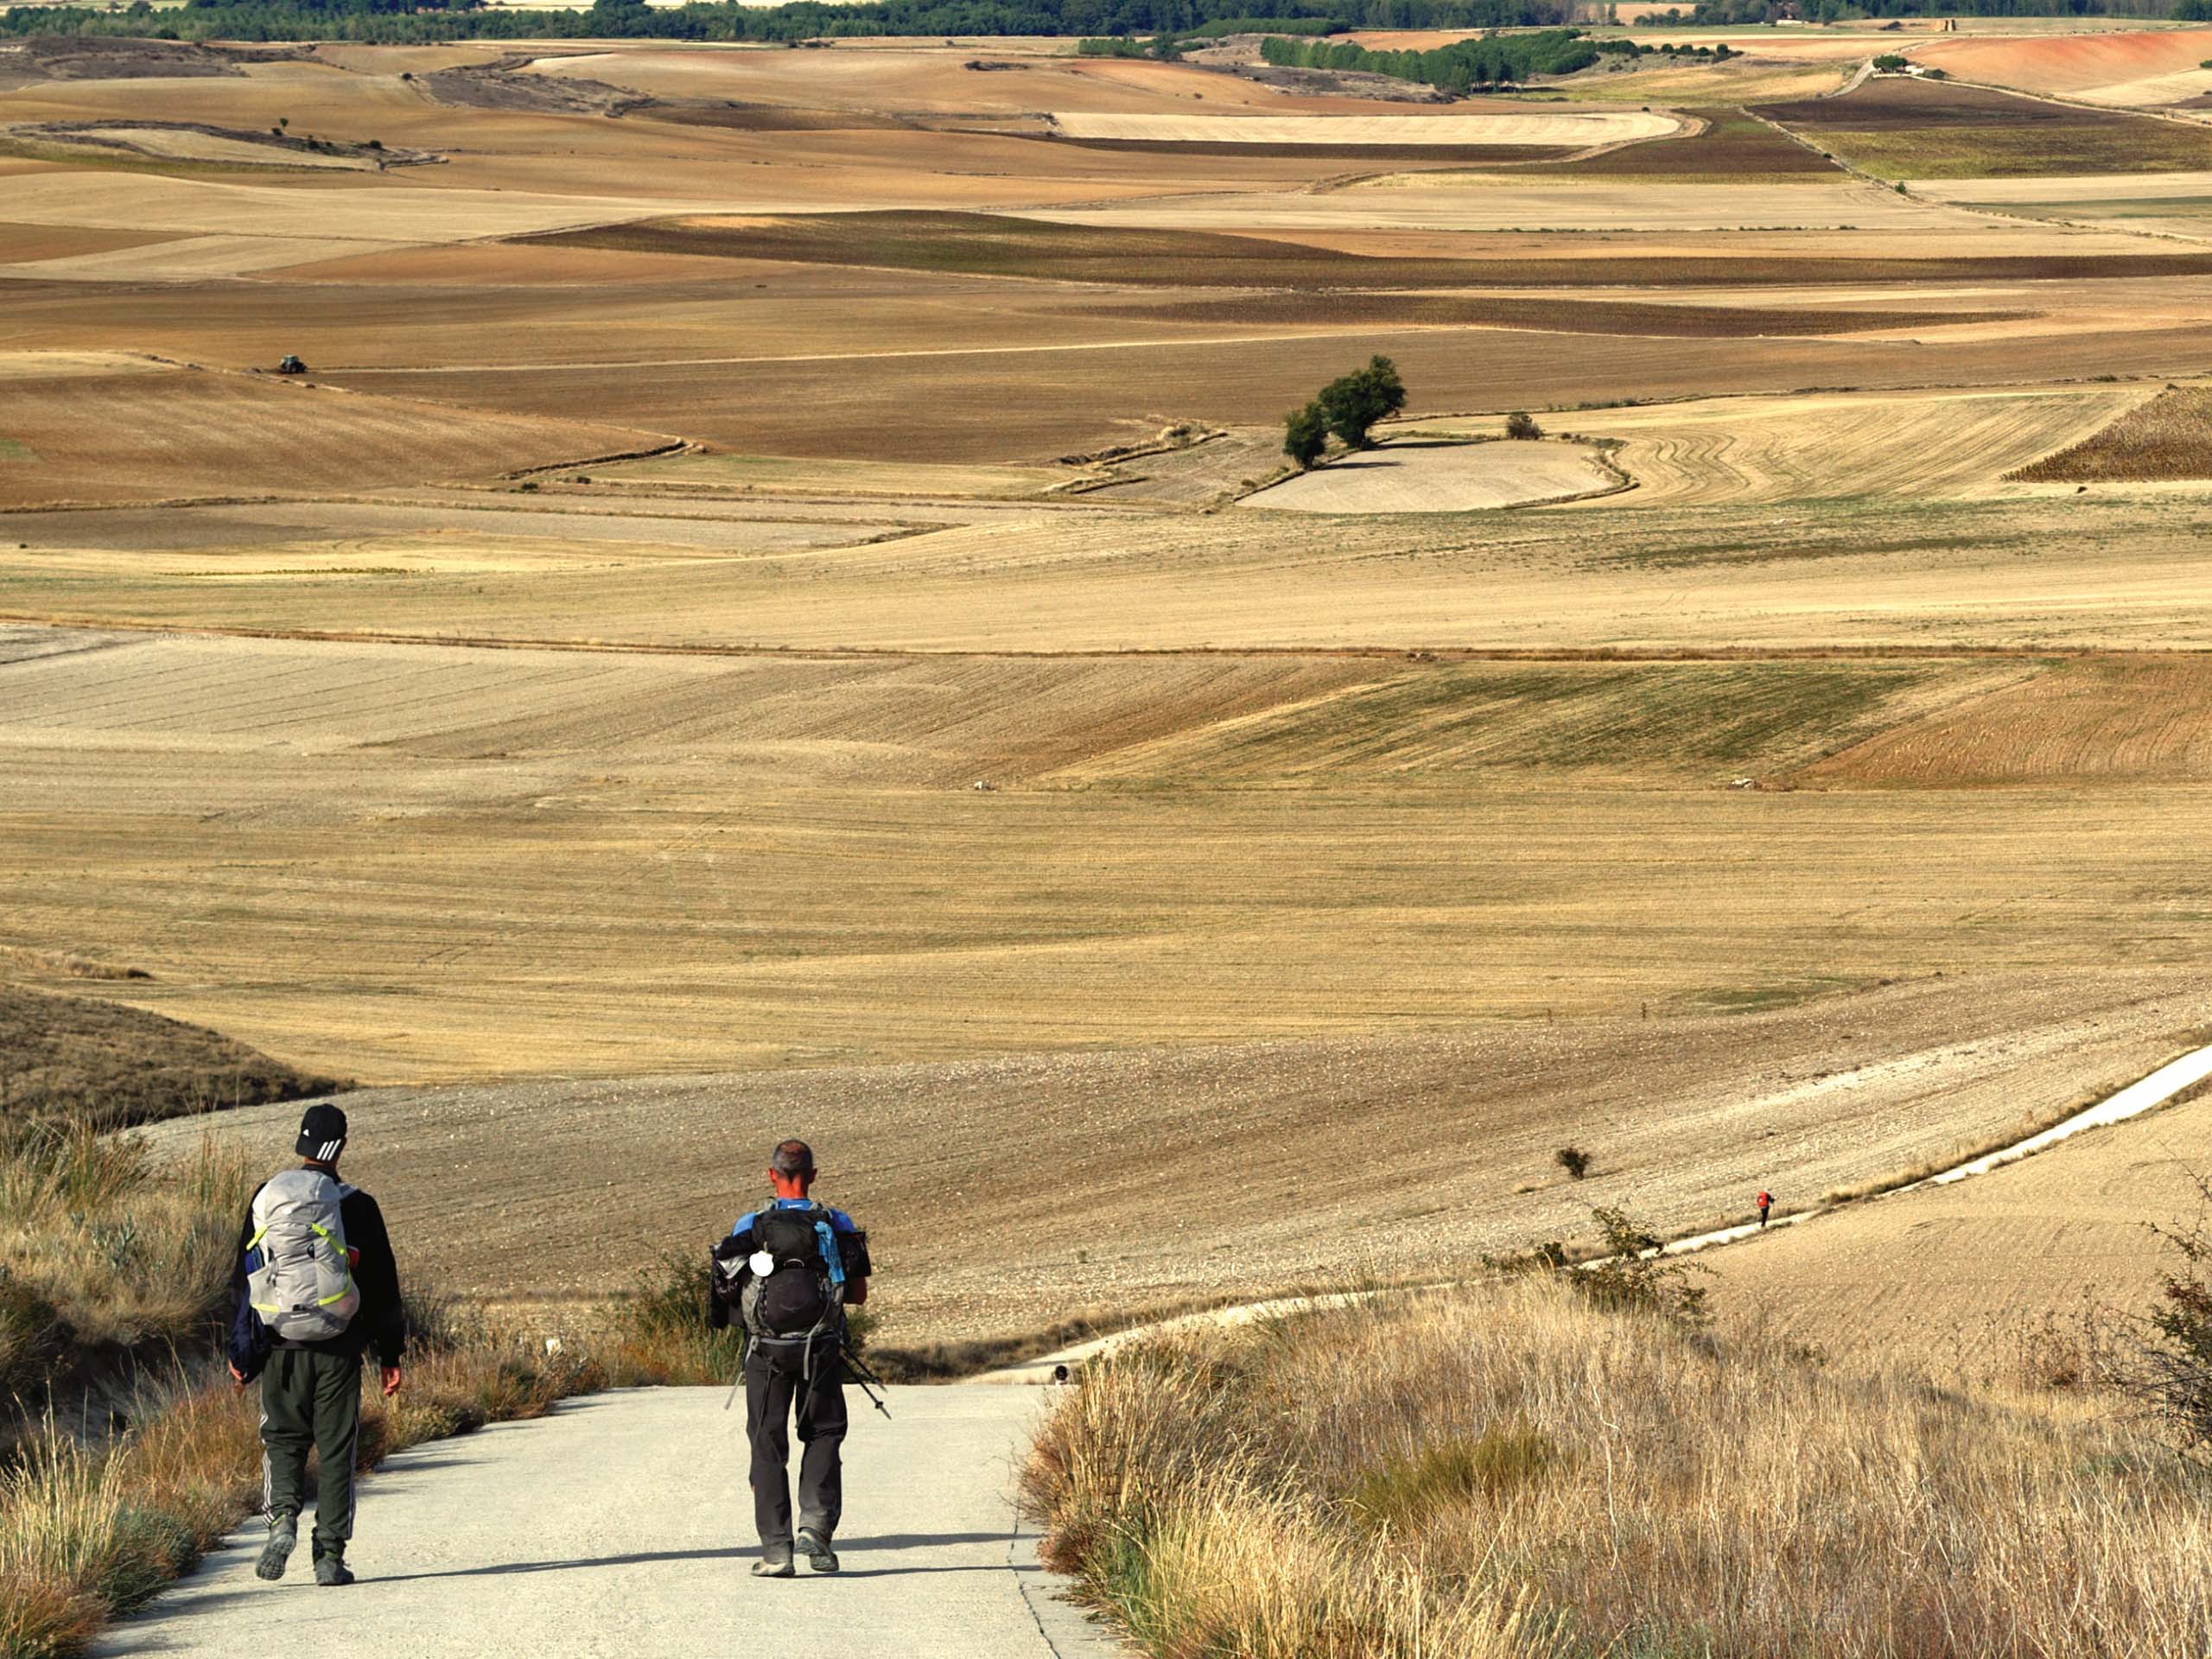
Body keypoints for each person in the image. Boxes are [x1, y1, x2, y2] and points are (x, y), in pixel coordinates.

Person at [226, 1102, 405, 1588]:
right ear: (342, 1145)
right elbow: (385, 1287)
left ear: (300, 1143)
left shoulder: (268, 1198)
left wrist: (242, 1355)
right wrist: (391, 1356)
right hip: (340, 1347)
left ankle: (281, 1518)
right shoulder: (358, 1205)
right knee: (336, 1449)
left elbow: (245, 1281)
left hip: (281, 1343)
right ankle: (328, 1554)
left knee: (282, 1440)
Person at [710, 1138, 871, 1580]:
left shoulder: (752, 1223)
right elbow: (856, 1294)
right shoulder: (836, 1223)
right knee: (823, 1434)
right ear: (814, 1176)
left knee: (767, 1443)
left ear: (771, 1175)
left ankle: (777, 1552)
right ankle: (815, 1531)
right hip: (821, 1347)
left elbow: (724, 1289)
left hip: (766, 1350)